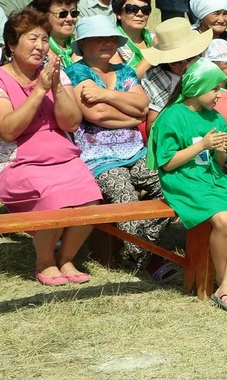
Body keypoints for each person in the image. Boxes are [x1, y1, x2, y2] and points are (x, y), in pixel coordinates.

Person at [0, 8, 102, 284]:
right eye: (32, 39)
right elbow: (8, 130)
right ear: (11, 44)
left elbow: (71, 123)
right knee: (57, 200)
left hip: (63, 160)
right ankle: (44, 261)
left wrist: (55, 86)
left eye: (44, 39)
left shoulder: (56, 75)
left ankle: (66, 258)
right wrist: (40, 90)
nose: (40, 46)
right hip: (17, 164)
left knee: (91, 199)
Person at [146, 59, 227, 311]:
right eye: (215, 89)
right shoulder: (171, 117)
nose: (220, 95)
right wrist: (202, 146)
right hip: (183, 181)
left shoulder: (215, 117)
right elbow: (167, 163)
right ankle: (224, 282)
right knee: (223, 220)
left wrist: (219, 151)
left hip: (212, 179)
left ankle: (226, 286)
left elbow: (221, 162)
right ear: (197, 87)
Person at [63, 16, 170, 277]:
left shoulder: (125, 71)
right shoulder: (75, 72)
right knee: (125, 197)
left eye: (111, 38)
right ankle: (150, 259)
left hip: (136, 151)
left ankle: (141, 244)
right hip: (98, 158)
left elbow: (143, 107)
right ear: (84, 44)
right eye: (99, 39)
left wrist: (106, 95)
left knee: (173, 184)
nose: (106, 43)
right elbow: (96, 114)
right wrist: (130, 113)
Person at [141, 17, 215, 131]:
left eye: (190, 58)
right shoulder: (156, 80)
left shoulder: (204, 67)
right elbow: (152, 125)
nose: (185, 65)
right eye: (176, 62)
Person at [111, 0, 154, 78]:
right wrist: (154, 52)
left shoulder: (154, 39)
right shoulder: (111, 44)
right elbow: (125, 81)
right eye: (132, 9)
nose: (140, 14)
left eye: (145, 10)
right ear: (118, 13)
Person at [32, 0, 80, 68]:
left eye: (73, 13)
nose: (69, 18)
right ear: (44, 16)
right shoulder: (37, 50)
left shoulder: (83, 47)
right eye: (62, 14)